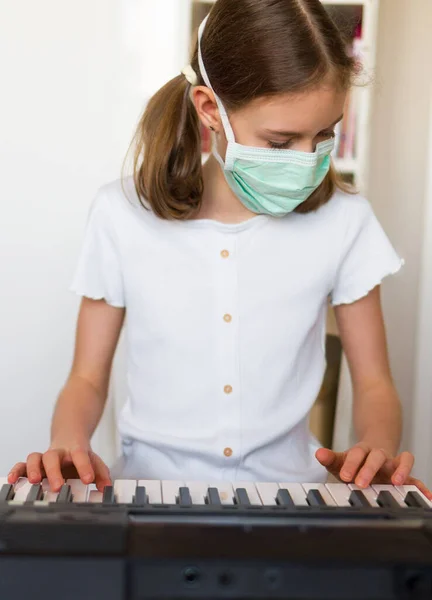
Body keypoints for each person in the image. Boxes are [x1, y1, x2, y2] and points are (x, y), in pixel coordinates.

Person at [8, 0, 431, 498]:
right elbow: (85, 377)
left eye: (324, 136)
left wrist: (376, 449)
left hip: (291, 501)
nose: (305, 160)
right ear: (211, 110)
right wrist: (67, 443)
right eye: (279, 142)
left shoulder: (345, 220)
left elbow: (376, 383)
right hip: (147, 496)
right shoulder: (120, 214)